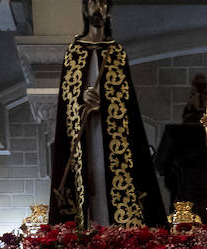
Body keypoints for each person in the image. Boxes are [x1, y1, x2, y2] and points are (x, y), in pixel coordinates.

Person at [48, 0, 166, 228]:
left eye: (102, 4)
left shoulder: (116, 53)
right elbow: (67, 104)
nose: (97, 9)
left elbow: (127, 104)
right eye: (93, 3)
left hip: (113, 139)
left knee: (111, 180)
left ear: (108, 11)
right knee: (87, 181)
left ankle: (116, 231)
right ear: (85, 9)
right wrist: (82, 100)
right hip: (84, 137)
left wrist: (106, 102)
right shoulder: (74, 53)